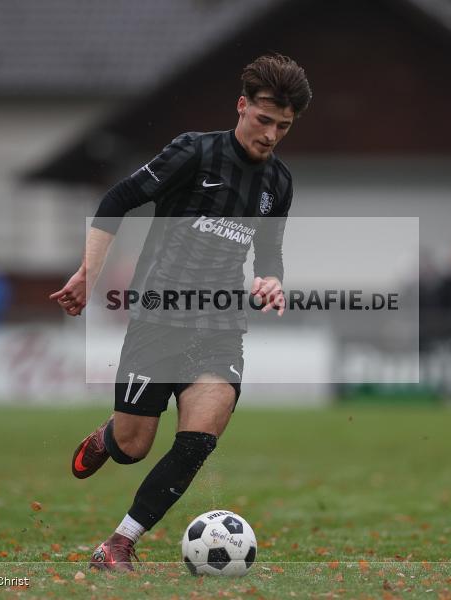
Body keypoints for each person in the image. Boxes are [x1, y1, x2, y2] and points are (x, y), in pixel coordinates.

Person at [50, 54, 311, 571]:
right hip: (158, 318)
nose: (271, 135)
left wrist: (272, 279)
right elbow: (117, 199)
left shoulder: (278, 182)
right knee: (133, 445)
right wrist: (88, 273)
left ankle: (119, 543)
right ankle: (109, 436)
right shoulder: (194, 152)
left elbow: (271, 252)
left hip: (220, 326)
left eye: (283, 126)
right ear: (242, 107)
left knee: (198, 440)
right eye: (264, 120)